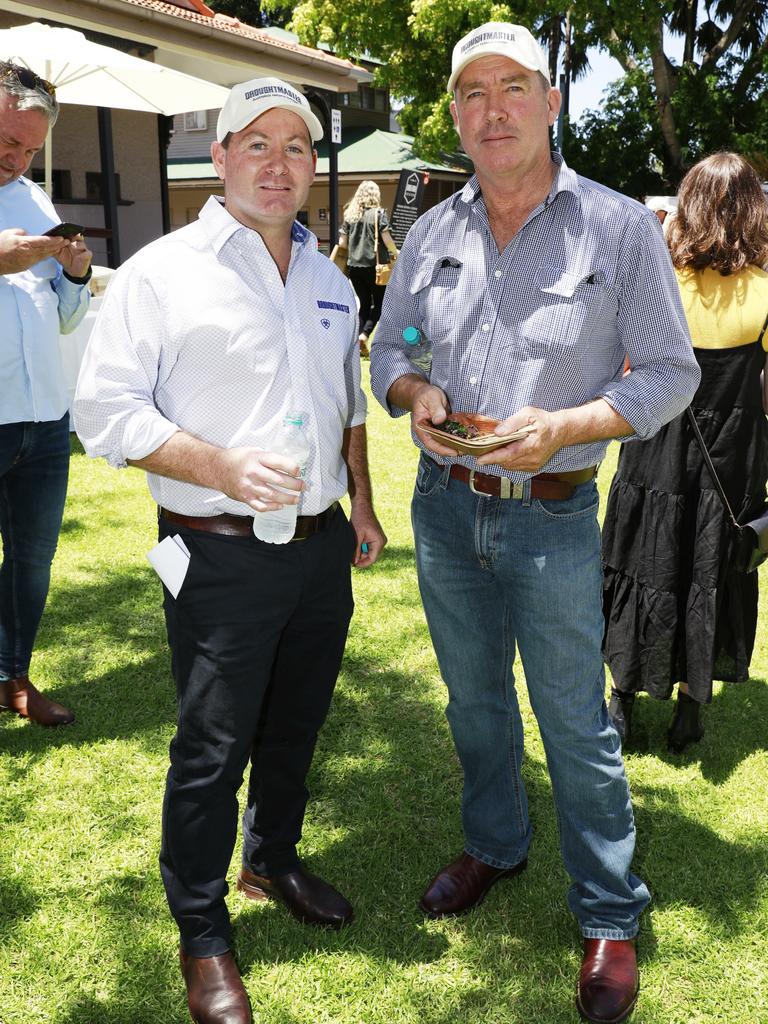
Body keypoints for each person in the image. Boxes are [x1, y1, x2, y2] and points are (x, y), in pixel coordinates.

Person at [370, 22, 700, 1024]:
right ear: (457, 117)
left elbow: (670, 373)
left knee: (575, 721)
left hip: (555, 514)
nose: (493, 108)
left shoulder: (616, 227)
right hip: (443, 511)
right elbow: (392, 346)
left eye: (513, 86)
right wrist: (416, 391)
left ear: (551, 103)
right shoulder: (431, 231)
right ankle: (495, 844)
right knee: (474, 703)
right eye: (473, 92)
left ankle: (608, 911)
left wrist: (566, 423)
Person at [74, 77, 386, 1024]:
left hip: (321, 549)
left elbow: (349, 407)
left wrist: (363, 508)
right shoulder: (161, 272)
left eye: (296, 146)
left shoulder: (332, 281)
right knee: (210, 749)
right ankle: (202, 930)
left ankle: (273, 858)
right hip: (215, 554)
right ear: (219, 157)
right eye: (258, 143)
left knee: (295, 726)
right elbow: (105, 412)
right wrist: (215, 462)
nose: (279, 163)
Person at [603, 152, 768, 754]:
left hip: (657, 443)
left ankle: (620, 698)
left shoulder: (662, 279)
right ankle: (691, 708)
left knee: (643, 561)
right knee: (710, 570)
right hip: (735, 455)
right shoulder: (767, 287)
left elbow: (628, 362)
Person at [0, 62, 92, 728]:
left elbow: (61, 319)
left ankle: (14, 679)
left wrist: (75, 276)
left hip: (44, 419)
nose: (16, 156)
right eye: (7, 139)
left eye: (29, 147)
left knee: (31, 563)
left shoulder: (36, 201)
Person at [335, 180, 398, 356]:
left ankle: (357, 341)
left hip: (354, 267)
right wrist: (396, 253)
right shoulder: (378, 214)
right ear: (375, 195)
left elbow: (342, 243)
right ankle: (364, 335)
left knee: (363, 304)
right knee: (380, 303)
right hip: (375, 267)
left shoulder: (350, 215)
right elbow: (387, 240)